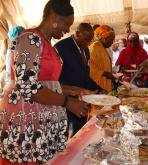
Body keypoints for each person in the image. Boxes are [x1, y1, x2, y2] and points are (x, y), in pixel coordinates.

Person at [0, 0, 89, 164]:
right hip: (26, 119)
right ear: (54, 17)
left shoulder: (47, 43)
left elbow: (48, 83)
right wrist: (67, 102)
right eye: (67, 24)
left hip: (43, 120)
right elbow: (28, 86)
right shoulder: (30, 38)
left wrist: (74, 90)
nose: (68, 30)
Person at [54, 23, 101, 135]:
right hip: (65, 101)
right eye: (86, 39)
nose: (88, 43)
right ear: (77, 33)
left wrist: (98, 89)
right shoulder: (61, 48)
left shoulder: (86, 49)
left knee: (80, 133)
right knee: (62, 136)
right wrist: (72, 92)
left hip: (82, 101)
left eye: (90, 40)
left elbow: (85, 75)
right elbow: (54, 80)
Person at [89, 25, 115, 92]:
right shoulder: (94, 48)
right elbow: (90, 68)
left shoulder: (101, 47)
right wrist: (105, 73)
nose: (112, 42)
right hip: (98, 86)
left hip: (104, 85)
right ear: (104, 38)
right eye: (111, 39)